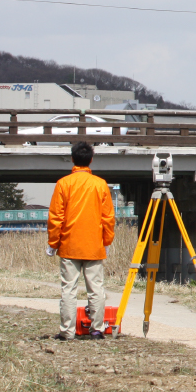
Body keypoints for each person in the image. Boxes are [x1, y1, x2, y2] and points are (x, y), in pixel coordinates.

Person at [47, 141, 115, 340]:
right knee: (96, 289)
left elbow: (55, 217)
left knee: (68, 289)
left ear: (72, 159)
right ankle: (97, 329)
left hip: (69, 245)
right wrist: (106, 241)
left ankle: (67, 331)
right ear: (91, 160)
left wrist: (53, 243)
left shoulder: (63, 184)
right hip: (94, 245)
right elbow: (108, 217)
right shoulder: (100, 184)